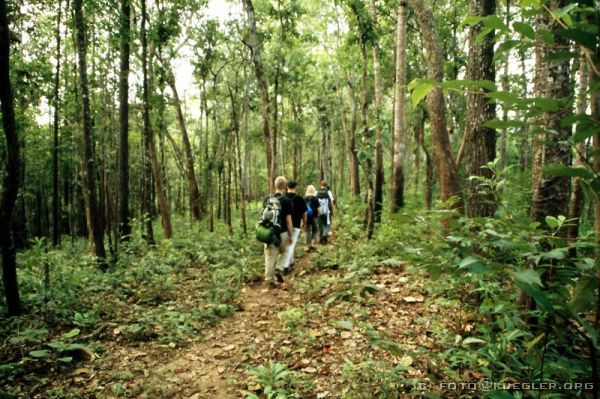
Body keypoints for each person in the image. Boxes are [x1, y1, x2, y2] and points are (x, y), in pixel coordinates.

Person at [262, 176, 293, 288]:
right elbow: (288, 220)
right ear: (285, 186)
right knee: (285, 251)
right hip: (282, 232)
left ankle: (269, 280)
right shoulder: (286, 200)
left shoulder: (267, 198)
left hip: (269, 231)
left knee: (270, 256)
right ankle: (279, 269)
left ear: (274, 185)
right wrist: (291, 234)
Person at [282, 180, 307, 273]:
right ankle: (285, 266)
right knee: (291, 245)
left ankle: (291, 262)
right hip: (296, 225)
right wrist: (304, 223)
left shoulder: (283, 198)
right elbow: (305, 213)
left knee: (288, 245)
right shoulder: (300, 199)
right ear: (295, 187)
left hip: (284, 225)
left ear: (287, 187)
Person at [304, 185, 320, 251]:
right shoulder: (315, 198)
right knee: (315, 229)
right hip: (314, 216)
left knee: (307, 230)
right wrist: (318, 214)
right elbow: (318, 208)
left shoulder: (304, 198)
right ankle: (312, 243)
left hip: (306, 217)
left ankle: (307, 245)